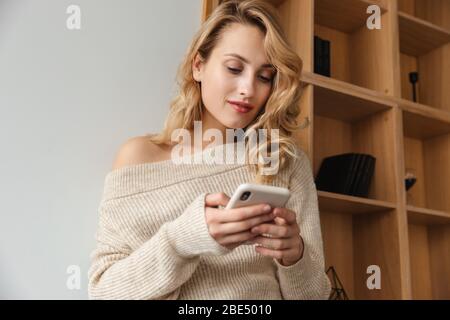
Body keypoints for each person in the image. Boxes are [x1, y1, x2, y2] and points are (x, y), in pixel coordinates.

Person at [88, 0, 331, 300]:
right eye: (234, 68)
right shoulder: (139, 157)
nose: (248, 89)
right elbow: (104, 293)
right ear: (198, 65)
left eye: (264, 76)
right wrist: (182, 240)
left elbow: (314, 296)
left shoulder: (285, 162)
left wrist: (295, 257)